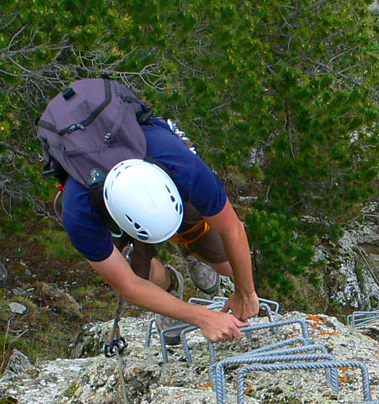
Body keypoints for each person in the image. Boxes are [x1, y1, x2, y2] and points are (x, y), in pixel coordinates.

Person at [58, 116, 259, 343]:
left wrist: (246, 292)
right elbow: (128, 285)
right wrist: (203, 317)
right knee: (137, 272)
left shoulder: (180, 163)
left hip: (165, 174)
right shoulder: (79, 213)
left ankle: (190, 246)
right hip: (108, 208)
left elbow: (232, 228)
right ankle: (169, 284)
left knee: (227, 266)